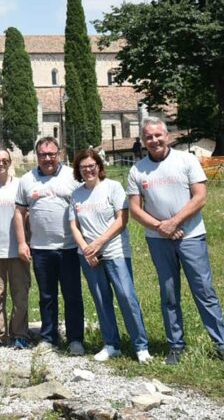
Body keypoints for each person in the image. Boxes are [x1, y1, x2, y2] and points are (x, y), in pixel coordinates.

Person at [127, 117, 224, 365]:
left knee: (204, 290)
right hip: (158, 240)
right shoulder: (137, 170)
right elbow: (135, 209)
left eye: (158, 135)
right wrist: (161, 227)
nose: (154, 140)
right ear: (143, 141)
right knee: (169, 294)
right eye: (148, 137)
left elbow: (200, 197)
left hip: (191, 236)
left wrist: (174, 222)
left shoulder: (186, 160)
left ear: (167, 136)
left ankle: (222, 345)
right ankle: (175, 345)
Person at [69, 149, 151, 363]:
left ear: (99, 166)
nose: (87, 170)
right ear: (78, 170)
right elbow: (74, 226)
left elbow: (121, 220)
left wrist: (98, 243)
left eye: (91, 165)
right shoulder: (76, 194)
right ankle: (111, 344)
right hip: (88, 256)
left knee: (126, 296)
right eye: (83, 167)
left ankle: (140, 346)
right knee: (101, 299)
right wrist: (87, 249)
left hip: (115, 252)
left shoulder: (113, 187)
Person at [15, 137, 84, 353]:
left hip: (69, 247)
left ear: (59, 154)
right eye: (43, 155)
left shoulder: (73, 176)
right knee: (47, 296)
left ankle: (75, 339)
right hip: (40, 248)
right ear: (37, 156)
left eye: (52, 154)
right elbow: (19, 213)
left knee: (72, 294)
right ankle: (48, 338)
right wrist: (21, 243)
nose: (48, 158)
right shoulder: (27, 180)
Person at [0, 146, 30, 349]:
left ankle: (19, 333)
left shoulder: (19, 185)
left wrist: (27, 242)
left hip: (18, 249)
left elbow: (27, 214)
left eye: (4, 160)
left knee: (20, 294)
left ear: (10, 163)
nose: (1, 164)